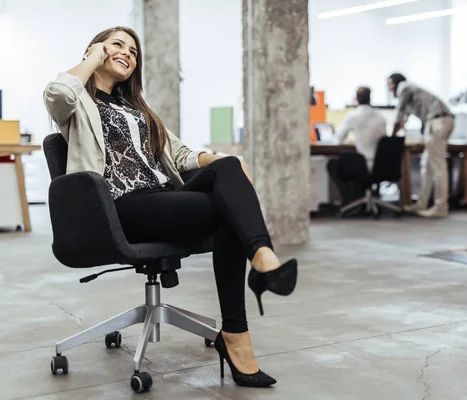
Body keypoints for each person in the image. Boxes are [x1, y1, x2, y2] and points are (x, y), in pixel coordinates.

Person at [43, 26, 298, 388]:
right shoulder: (76, 102)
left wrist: (221, 160)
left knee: (227, 166)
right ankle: (239, 329)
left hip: (161, 197)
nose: (128, 54)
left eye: (133, 51)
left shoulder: (138, 109)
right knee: (228, 214)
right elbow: (57, 93)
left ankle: (259, 263)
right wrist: (91, 60)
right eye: (118, 45)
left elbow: (179, 155)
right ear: (95, 49)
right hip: (120, 207)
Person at [388, 73, 455, 218]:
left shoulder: (404, 87)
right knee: (427, 164)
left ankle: (441, 206)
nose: (390, 89)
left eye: (390, 84)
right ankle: (422, 203)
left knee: (437, 165)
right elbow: (404, 118)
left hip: (437, 121)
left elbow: (399, 114)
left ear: (397, 82)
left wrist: (391, 137)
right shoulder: (413, 91)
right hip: (440, 121)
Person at [326, 87, 387, 207]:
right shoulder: (381, 117)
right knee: (353, 161)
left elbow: (338, 139)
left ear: (356, 99)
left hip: (363, 165)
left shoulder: (353, 115)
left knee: (333, 164)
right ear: (370, 99)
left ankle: (350, 201)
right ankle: (363, 199)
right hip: (383, 164)